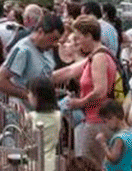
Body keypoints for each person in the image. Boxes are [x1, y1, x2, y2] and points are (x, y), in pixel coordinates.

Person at [52, 15, 116, 169]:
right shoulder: (97, 55)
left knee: (89, 165)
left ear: (89, 36)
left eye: (79, 38)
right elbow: (69, 70)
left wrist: (79, 102)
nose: (77, 43)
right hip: (97, 120)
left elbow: (100, 90)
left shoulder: (99, 57)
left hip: (96, 121)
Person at [0, 13, 64, 107]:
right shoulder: (23, 50)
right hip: (25, 114)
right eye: (53, 39)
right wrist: (28, 96)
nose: (55, 44)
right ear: (41, 32)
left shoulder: (46, 49)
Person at [27, 77, 62, 171]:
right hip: (51, 162)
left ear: (37, 97)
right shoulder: (58, 116)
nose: (28, 96)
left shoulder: (30, 117)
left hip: (34, 163)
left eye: (30, 93)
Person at [96, 100, 132, 171]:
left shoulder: (119, 138)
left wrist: (103, 144)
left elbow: (113, 158)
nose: (106, 125)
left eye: (106, 121)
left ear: (115, 116)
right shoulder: (129, 132)